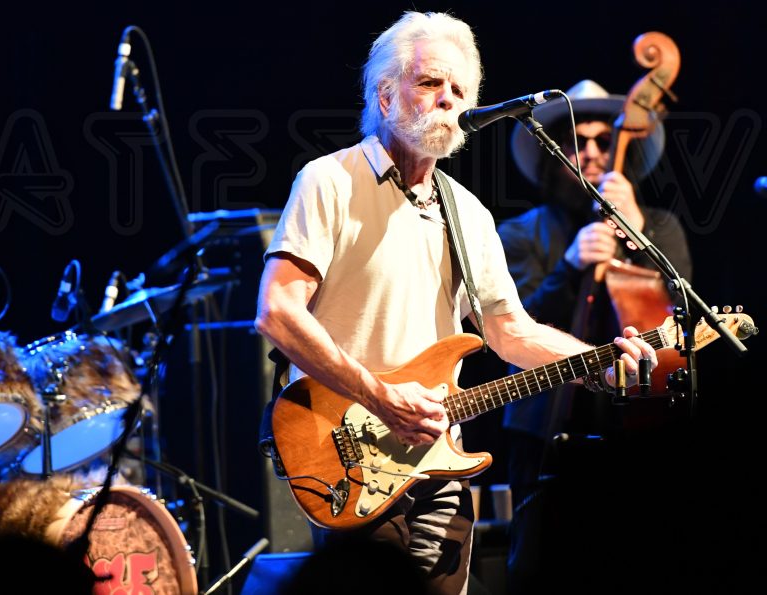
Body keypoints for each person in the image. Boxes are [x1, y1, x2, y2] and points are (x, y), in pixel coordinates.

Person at [255, 13, 659, 595]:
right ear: (386, 95)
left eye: (460, 89)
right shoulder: (330, 181)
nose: (448, 99)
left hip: (438, 458)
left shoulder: (468, 212)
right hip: (347, 457)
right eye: (430, 83)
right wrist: (381, 397)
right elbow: (277, 311)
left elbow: (510, 331)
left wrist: (595, 361)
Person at [499, 81, 692, 592]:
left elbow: (679, 321)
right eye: (576, 142)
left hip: (635, 421)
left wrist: (638, 236)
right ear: (554, 155)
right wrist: (569, 267)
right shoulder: (518, 234)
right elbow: (510, 328)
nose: (591, 152)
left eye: (604, 141)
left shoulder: (661, 227)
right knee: (537, 566)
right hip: (543, 424)